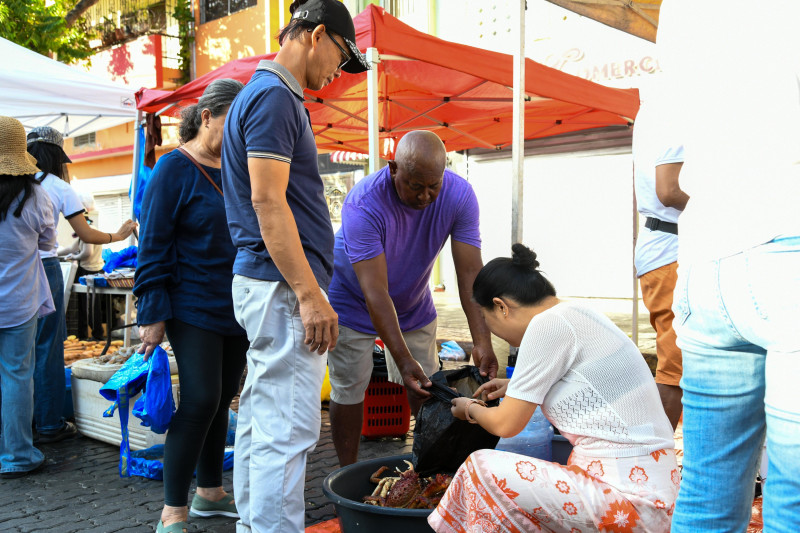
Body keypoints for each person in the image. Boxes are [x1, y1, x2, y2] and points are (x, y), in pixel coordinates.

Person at [220, 1, 369, 531]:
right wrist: (310, 294)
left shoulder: (258, 94)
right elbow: (267, 201)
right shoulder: (275, 98)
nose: (337, 74)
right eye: (341, 58)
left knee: (265, 424)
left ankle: (253, 525)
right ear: (316, 35)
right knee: (287, 430)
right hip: (282, 287)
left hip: (269, 282)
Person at [656, 2, 800, 530]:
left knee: (707, 490)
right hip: (787, 244)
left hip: (707, 258)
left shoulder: (682, 10)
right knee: (794, 498)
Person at [429, 244, 679, 532]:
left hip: (631, 500)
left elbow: (505, 424)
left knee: (479, 469)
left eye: (486, 319)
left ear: (501, 306)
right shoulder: (574, 313)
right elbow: (584, 380)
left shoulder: (546, 325)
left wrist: (468, 408)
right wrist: (515, 386)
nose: (491, 329)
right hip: (653, 493)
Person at [327, 130, 499, 467]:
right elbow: (374, 291)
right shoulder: (363, 203)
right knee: (349, 389)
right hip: (352, 302)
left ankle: (428, 467)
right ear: (393, 168)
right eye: (415, 186)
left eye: (433, 186)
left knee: (427, 387)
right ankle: (345, 471)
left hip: (414, 303)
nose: (424, 196)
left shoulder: (459, 194)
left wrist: (482, 340)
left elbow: (469, 274)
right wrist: (402, 360)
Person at [133, 78, 247, 533]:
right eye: (232, 122)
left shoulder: (239, 168)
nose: (239, 133)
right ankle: (172, 510)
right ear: (205, 116)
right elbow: (153, 244)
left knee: (221, 400)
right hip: (190, 304)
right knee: (199, 398)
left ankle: (210, 492)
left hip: (236, 305)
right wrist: (153, 314)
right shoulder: (173, 169)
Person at [26, 126, 137, 444]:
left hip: (12, 267)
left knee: (15, 349)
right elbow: (86, 235)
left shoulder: (14, 183)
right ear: (58, 156)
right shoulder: (59, 187)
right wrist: (118, 235)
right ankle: (48, 423)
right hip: (45, 268)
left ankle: (19, 424)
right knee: (47, 347)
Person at [0, 116, 57, 478]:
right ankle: (18, 454)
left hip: (20, 302)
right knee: (17, 376)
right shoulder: (36, 195)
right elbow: (48, 244)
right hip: (20, 302)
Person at [632, 101, 687, 430]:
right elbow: (669, 189)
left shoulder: (654, 107)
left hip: (663, 245)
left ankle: (653, 457)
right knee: (676, 368)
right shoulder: (673, 108)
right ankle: (651, 460)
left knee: (679, 364)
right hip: (670, 248)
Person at [58, 194, 106, 340]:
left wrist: (74, 257)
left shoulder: (88, 229)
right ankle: (87, 335)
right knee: (88, 306)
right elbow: (73, 247)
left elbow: (87, 252)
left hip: (90, 270)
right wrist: (53, 252)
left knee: (90, 307)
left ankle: (96, 336)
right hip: (91, 270)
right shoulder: (87, 228)